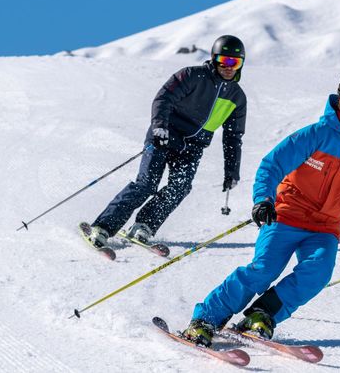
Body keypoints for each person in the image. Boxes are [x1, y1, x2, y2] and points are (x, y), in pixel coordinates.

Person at [181, 70, 340, 346]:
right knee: (263, 269)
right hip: (286, 214)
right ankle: (205, 319)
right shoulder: (315, 136)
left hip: (325, 228)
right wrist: (263, 200)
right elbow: (272, 165)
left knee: (318, 273)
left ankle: (262, 315)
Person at [84, 35, 247, 247]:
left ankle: (144, 225)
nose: (228, 67)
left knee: (181, 187)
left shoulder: (237, 97)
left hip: (192, 147)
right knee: (146, 184)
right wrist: (159, 126)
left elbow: (233, 137)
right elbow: (164, 98)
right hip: (165, 135)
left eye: (235, 62)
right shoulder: (192, 75)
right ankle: (103, 227)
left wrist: (231, 171)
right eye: (224, 61)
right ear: (214, 59)